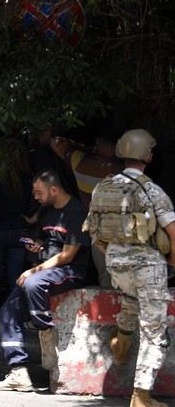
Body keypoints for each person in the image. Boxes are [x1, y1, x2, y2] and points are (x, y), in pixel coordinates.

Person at [84, 129, 175, 407]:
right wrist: (171, 261)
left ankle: (121, 347)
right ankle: (141, 396)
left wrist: (115, 254)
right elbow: (173, 232)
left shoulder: (103, 187)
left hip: (115, 263)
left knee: (131, 298)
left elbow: (93, 230)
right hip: (147, 266)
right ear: (148, 155)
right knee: (155, 331)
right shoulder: (151, 190)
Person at [0, 169, 91, 392]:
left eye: (39, 192)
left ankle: (46, 332)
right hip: (42, 271)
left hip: (68, 270)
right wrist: (35, 244)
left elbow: (67, 256)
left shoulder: (77, 212)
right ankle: (18, 372)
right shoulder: (45, 210)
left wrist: (32, 270)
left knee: (31, 282)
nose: (35, 197)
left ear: (53, 189)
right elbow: (43, 238)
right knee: (6, 313)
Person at [52, 128, 125, 287]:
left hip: (97, 232)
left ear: (98, 141)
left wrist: (87, 148)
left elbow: (56, 142)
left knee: (106, 280)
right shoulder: (123, 170)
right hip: (122, 230)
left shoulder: (80, 161)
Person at [0, 139, 33, 337]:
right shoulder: (27, 177)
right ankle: (13, 320)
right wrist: (31, 218)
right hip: (19, 229)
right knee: (15, 277)